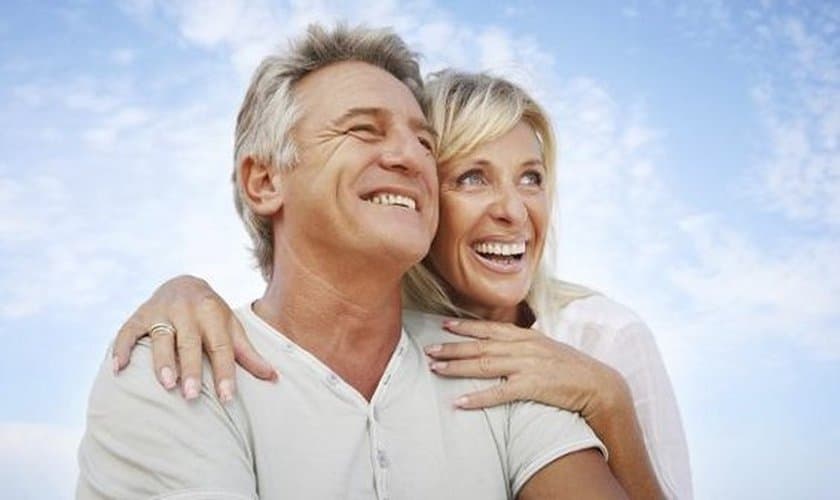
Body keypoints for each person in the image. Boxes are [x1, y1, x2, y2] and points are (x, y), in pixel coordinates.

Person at [78, 24, 628, 499]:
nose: (410, 157)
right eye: (364, 130)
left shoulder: (498, 365)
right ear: (264, 180)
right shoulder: (175, 367)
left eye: (424, 142)